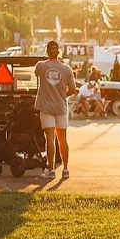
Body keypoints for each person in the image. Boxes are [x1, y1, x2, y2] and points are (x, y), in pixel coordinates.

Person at [34, 39, 76, 179]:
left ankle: (51, 170)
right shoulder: (66, 69)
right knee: (62, 139)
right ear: (59, 52)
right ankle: (65, 169)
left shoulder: (41, 66)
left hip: (46, 107)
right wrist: (63, 94)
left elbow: (36, 73)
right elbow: (73, 89)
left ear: (47, 52)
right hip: (60, 106)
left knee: (50, 139)